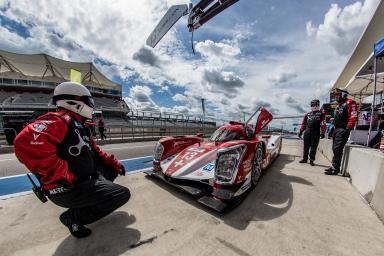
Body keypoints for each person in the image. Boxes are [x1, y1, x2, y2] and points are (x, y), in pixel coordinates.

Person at [13, 82, 130, 238]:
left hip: (83, 180)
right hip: (67, 188)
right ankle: (73, 219)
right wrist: (61, 176)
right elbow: (25, 142)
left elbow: (95, 151)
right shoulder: (59, 120)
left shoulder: (80, 125)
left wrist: (114, 163)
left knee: (111, 168)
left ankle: (93, 197)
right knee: (121, 194)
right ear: (76, 102)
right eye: (89, 102)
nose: (91, 106)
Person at [324, 89, 358, 175]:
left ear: (343, 94)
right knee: (335, 149)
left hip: (343, 129)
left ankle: (335, 168)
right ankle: (334, 166)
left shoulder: (350, 102)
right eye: (335, 95)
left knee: (338, 148)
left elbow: (353, 116)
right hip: (336, 129)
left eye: (337, 95)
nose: (336, 96)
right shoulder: (338, 105)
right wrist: (333, 129)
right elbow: (335, 118)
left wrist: (348, 128)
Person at [298, 99, 326, 166]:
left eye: (316, 105)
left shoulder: (321, 114)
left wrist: (323, 132)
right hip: (307, 132)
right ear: (311, 106)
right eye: (313, 105)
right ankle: (305, 159)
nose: (315, 106)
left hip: (316, 132)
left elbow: (323, 123)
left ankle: (311, 160)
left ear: (318, 105)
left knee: (314, 147)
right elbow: (303, 124)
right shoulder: (307, 114)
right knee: (306, 147)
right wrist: (301, 131)